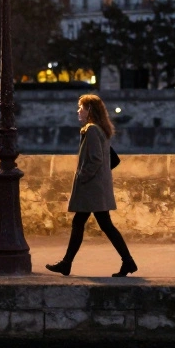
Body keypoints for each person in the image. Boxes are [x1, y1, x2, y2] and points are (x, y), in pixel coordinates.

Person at [46, 94, 137, 278]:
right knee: (96, 224)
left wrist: (82, 177)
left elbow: (96, 159)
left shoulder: (93, 130)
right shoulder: (100, 129)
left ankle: (67, 264)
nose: (78, 111)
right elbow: (108, 159)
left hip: (91, 188)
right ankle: (126, 261)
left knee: (87, 223)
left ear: (89, 111)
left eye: (81, 108)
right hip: (96, 187)